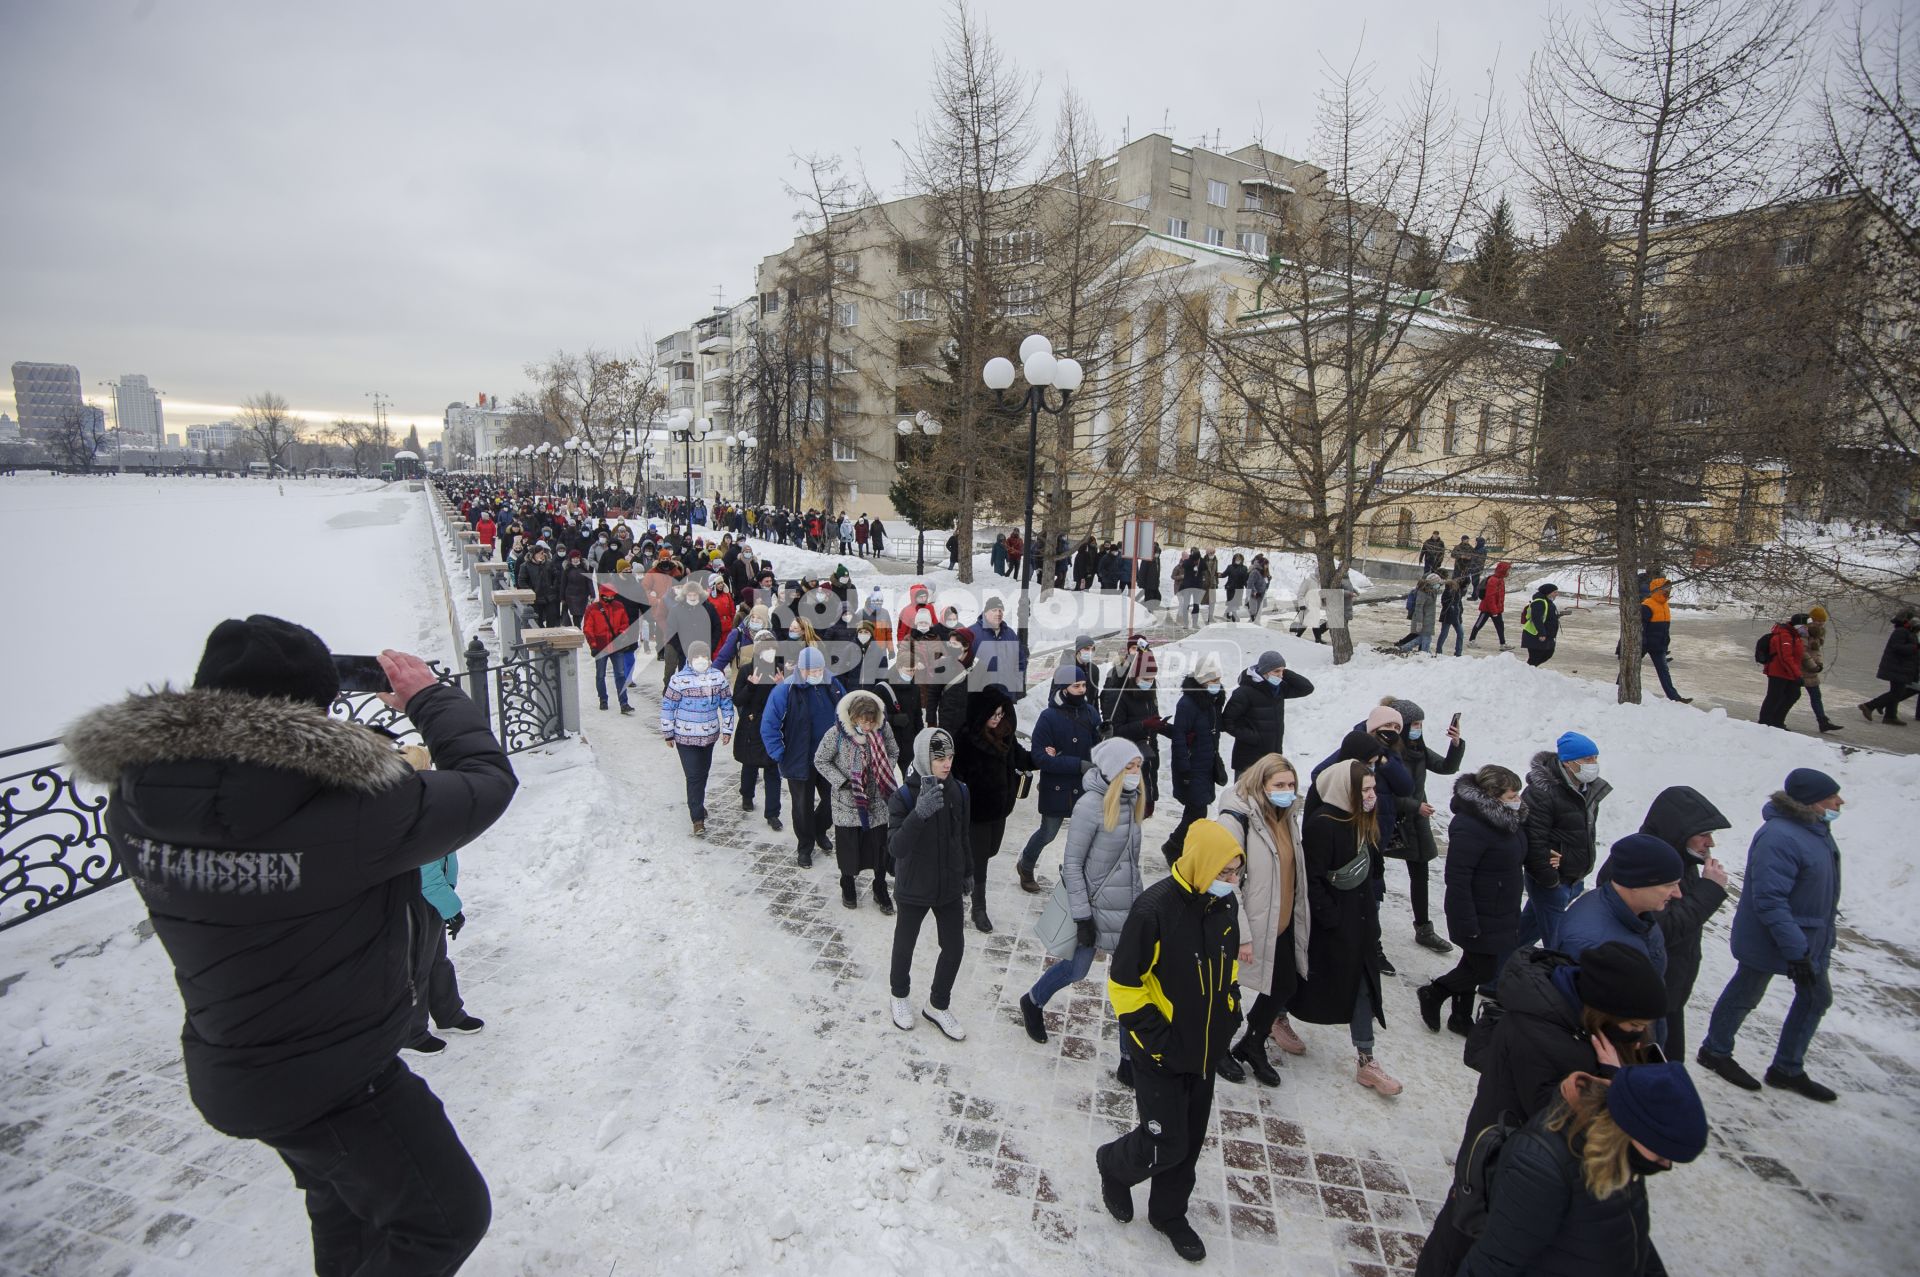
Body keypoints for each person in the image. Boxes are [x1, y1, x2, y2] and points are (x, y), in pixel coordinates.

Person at [65, 618, 517, 1275]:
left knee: (345, 1206)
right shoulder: (354, 806)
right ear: (313, 708)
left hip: (234, 1063)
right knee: (446, 1218)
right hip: (335, 1075)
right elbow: (487, 780)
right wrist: (428, 695)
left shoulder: (137, 800)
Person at [1412, 942, 1670, 1277]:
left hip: (1523, 1175)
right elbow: (1564, 1128)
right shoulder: (1545, 1040)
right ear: (1604, 1012)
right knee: (1464, 1246)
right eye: (1634, 1026)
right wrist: (1615, 1082)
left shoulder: (1577, 1028)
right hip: (1500, 1172)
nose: (1639, 1036)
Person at [1096, 820, 1245, 1264]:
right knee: (1165, 1142)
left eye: (1237, 872)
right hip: (1160, 1055)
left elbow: (1229, 968)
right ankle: (1113, 1165)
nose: (1231, 882)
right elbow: (1124, 986)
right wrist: (1157, 1040)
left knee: (1189, 1143)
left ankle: (1168, 1213)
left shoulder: (1224, 907)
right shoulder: (1154, 911)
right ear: (1201, 864)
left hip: (1204, 1054)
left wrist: (1230, 1011)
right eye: (1225, 872)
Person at [1458, 1065, 1708, 1277]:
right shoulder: (1542, 1168)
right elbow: (1493, 1262)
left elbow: (1628, 1229)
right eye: (1661, 1155)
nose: (1664, 1166)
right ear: (1627, 1129)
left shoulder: (1619, 1155)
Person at [1698, 768, 1845, 1102]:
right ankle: (1715, 1050)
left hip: (1810, 937)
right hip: (1774, 938)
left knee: (1816, 998)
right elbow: (1770, 900)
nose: (1840, 801)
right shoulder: (1780, 837)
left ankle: (1787, 1068)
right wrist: (1796, 950)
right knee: (1746, 992)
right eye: (1831, 797)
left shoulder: (1817, 829)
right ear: (1810, 803)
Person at [1019, 740, 1146, 1053]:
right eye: (1128, 766)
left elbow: (1131, 861)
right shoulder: (1090, 805)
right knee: (1076, 970)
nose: (1135, 773)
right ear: (1112, 768)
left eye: (1138, 766)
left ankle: (1128, 1059)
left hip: (1125, 908)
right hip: (1091, 908)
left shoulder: (1132, 801)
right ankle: (1032, 1001)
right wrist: (1083, 917)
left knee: (1129, 982)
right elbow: (1073, 865)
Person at [1291, 761, 1403, 1095]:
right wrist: (1332, 918)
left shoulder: (1360, 821)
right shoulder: (1323, 826)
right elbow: (1311, 879)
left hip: (1360, 924)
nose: (1372, 796)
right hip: (1331, 927)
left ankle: (1366, 1059)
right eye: (1365, 790)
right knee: (1302, 976)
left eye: (1372, 790)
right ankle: (1274, 1016)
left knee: (1362, 986)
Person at [1614, 786, 1730, 1060]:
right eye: (1703, 834)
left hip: (1671, 985)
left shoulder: (1682, 861)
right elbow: (1660, 929)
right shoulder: (1643, 862)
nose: (1710, 842)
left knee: (1669, 1060)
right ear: (1678, 829)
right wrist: (1709, 890)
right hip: (1646, 990)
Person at [1220, 754, 1311, 1085]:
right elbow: (1227, 884)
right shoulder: (1236, 820)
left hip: (1280, 920)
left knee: (1285, 984)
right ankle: (1218, 1048)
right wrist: (1243, 934)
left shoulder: (1286, 816)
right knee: (1227, 992)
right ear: (1261, 785)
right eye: (1279, 785)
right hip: (1247, 924)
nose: (1287, 791)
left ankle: (1253, 1043)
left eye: (1291, 785)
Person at [1420, 765, 1526, 1035]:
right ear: (1492, 795)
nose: (1518, 801)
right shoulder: (1471, 826)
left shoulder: (1505, 820)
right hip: (1479, 909)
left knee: (1472, 963)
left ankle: (1460, 1018)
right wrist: (1467, 920)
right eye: (1512, 796)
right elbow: (1457, 877)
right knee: (1483, 970)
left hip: (1499, 907)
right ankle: (1434, 992)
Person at [885, 727, 972, 1039]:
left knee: (954, 947)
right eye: (939, 758)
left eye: (949, 756)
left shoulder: (959, 791)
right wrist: (918, 814)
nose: (946, 764)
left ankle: (938, 1003)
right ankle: (899, 996)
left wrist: (967, 872)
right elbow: (896, 848)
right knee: (904, 945)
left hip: (948, 885)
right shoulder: (904, 797)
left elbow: (962, 836)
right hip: (913, 886)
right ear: (924, 758)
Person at [1558, 834, 1685, 1045]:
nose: (1678, 894)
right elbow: (1592, 1027)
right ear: (1637, 883)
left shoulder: (1637, 914)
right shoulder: (1591, 942)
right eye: (1670, 884)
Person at [1379, 698, 1464, 954]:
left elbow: (1447, 767)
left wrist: (1456, 744)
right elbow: (1382, 795)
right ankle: (1367, 924)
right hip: (1391, 820)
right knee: (1374, 870)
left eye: (1420, 724)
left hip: (1417, 822)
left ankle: (1424, 928)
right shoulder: (1387, 753)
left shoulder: (1419, 749)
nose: (1418, 728)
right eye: (1414, 724)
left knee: (1420, 873)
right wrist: (1414, 806)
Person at [1515, 731, 1610, 954]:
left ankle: (1492, 980)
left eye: (1595, 758)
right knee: (1559, 948)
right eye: (1587, 759)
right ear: (1568, 762)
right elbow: (1534, 838)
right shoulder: (1542, 793)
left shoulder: (1587, 790)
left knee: (1525, 931)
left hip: (1572, 879)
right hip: (1551, 881)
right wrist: (1550, 880)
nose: (1593, 764)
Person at [951, 684, 1032, 932]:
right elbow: (954, 778)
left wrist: (1046, 756)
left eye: (1001, 714)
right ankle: (979, 908)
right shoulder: (965, 740)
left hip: (1000, 810)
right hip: (976, 814)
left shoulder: (1005, 736)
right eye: (993, 714)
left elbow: (1023, 758)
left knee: (991, 852)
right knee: (980, 862)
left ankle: (964, 872)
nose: (998, 719)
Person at [812, 689, 901, 913]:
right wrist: (842, 782)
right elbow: (821, 760)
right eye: (863, 721)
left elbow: (893, 751)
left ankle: (880, 886)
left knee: (879, 846)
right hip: (848, 801)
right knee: (849, 848)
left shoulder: (883, 728)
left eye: (871, 721)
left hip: (877, 798)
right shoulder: (837, 734)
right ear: (853, 718)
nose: (868, 726)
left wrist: (884, 770)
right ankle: (847, 884)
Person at [1015, 665, 1101, 893]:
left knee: (1084, 835)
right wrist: (1077, 764)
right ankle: (1026, 865)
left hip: (1085, 788)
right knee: (1048, 832)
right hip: (1057, 788)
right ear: (1063, 689)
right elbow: (1040, 757)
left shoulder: (1091, 712)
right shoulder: (1048, 717)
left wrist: (1105, 737)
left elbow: (1097, 749)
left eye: (1083, 685)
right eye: (1076, 686)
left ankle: (1078, 874)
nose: (1082, 690)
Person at [762, 646, 844, 867]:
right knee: (802, 806)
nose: (816, 674)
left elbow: (847, 713)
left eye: (819, 669)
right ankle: (805, 846)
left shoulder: (832, 685)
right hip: (800, 759)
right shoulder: (785, 690)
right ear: (800, 669)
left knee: (833, 801)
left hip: (830, 759)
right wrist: (779, 753)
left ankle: (819, 829)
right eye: (811, 670)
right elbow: (769, 725)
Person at [413, 845, 486, 1053]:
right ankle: (411, 1034)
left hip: (434, 898)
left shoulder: (433, 816)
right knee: (417, 969)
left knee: (437, 961)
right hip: (420, 898)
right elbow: (425, 873)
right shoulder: (420, 822)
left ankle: (449, 1015)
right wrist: (451, 909)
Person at [660, 639, 734, 835]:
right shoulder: (679, 680)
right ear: (690, 659)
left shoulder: (718, 677)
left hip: (709, 736)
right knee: (693, 776)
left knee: (703, 773)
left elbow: (726, 704)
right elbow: (668, 706)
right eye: (697, 656)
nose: (701, 660)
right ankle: (697, 819)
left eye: (704, 656)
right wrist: (668, 733)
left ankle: (698, 804)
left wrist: (727, 730)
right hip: (685, 737)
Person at [1219, 649, 1315, 777]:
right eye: (1276, 671)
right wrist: (1253, 737)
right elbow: (1227, 722)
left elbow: (1307, 688)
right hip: (1249, 759)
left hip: (1272, 756)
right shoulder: (1244, 692)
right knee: (1244, 795)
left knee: (1267, 795)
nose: (1280, 675)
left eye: (1282, 671)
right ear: (1264, 671)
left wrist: (1283, 672)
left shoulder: (1278, 688)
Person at [1100, 637, 1169, 816]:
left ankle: (1148, 800)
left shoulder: (1149, 694)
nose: (1149, 682)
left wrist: (1169, 730)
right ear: (1135, 676)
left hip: (1148, 754)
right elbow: (1117, 730)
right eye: (1145, 678)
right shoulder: (1121, 695)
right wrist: (1143, 724)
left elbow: (1153, 721)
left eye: (1152, 679)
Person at [732, 647, 786, 832]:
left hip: (773, 725)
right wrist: (751, 686)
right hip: (751, 724)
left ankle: (773, 813)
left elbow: (790, 699)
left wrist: (782, 686)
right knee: (749, 764)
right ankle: (747, 796)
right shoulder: (747, 670)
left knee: (772, 769)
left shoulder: (780, 670)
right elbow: (737, 699)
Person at [1858, 607, 1919, 724]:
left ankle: (1890, 716)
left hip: (1901, 667)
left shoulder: (1907, 632)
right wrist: (1915, 647)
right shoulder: (1901, 631)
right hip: (1897, 667)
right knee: (1897, 692)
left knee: (1897, 692)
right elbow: (1897, 647)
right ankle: (1869, 706)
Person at [583, 584, 636, 714]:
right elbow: (588, 629)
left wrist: (621, 633)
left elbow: (625, 623)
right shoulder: (592, 609)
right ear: (602, 595)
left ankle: (624, 702)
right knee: (601, 675)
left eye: (612, 595)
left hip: (615, 645)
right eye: (608, 595)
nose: (610, 597)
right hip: (601, 646)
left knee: (621, 675)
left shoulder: (619, 606)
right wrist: (593, 645)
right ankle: (603, 700)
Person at [1638, 576, 1691, 702]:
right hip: (1645, 644)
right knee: (1631, 666)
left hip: (1658, 645)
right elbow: (1641, 627)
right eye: (1665, 588)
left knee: (1664, 672)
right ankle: (1617, 687)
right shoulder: (1647, 605)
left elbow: (1664, 627)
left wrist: (1665, 642)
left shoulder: (1664, 605)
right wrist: (1642, 643)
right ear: (1657, 589)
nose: (1668, 590)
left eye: (1669, 588)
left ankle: (1675, 698)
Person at [966, 597, 1029, 700]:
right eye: (994, 610)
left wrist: (1016, 681)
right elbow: (963, 663)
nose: (998, 613)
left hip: (1006, 695)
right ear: (985, 613)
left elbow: (1020, 660)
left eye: (1000, 610)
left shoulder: (1010, 634)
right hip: (981, 697)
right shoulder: (971, 633)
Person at [1757, 611, 1809, 728]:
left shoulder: (1795, 636)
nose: (1807, 629)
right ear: (1799, 626)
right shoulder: (1785, 635)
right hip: (1778, 672)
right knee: (1774, 696)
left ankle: (1776, 720)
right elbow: (1786, 657)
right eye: (1805, 626)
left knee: (1793, 694)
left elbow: (1795, 657)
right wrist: (1797, 675)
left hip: (1787, 672)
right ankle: (1765, 722)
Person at [1799, 605, 1841, 732]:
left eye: (1823, 621)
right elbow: (1802, 651)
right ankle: (1776, 717)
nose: (1821, 624)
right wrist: (1813, 665)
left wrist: (1819, 664)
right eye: (1818, 621)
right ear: (1812, 619)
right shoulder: (1803, 631)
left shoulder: (1819, 633)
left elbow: (1816, 651)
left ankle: (1823, 721)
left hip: (1812, 670)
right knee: (1790, 696)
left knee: (1816, 695)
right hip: (1801, 669)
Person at [1468, 560, 1511, 647]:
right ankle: (1471, 640)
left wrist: (1498, 609)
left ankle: (1503, 643)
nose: (1509, 572)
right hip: (1487, 608)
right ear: (1503, 570)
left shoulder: (1501, 580)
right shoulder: (1493, 580)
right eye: (1508, 570)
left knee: (1500, 626)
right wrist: (1494, 611)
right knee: (1479, 624)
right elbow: (1490, 597)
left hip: (1496, 608)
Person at [1519, 582, 1560, 667]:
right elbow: (1536, 618)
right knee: (1535, 657)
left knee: (1548, 653)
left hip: (1547, 634)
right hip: (1535, 634)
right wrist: (1542, 633)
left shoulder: (1548, 601)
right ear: (1548, 592)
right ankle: (1526, 673)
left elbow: (1546, 615)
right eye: (1555, 592)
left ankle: (1530, 671)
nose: (1557, 594)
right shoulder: (1539, 602)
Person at [1435, 575, 1468, 657]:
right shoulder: (1447, 592)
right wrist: (1452, 606)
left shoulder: (1458, 591)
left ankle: (1458, 653)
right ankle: (1438, 651)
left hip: (1457, 616)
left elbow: (1459, 603)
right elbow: (1444, 603)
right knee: (1444, 634)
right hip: (1448, 616)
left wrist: (1460, 611)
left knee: (1460, 633)